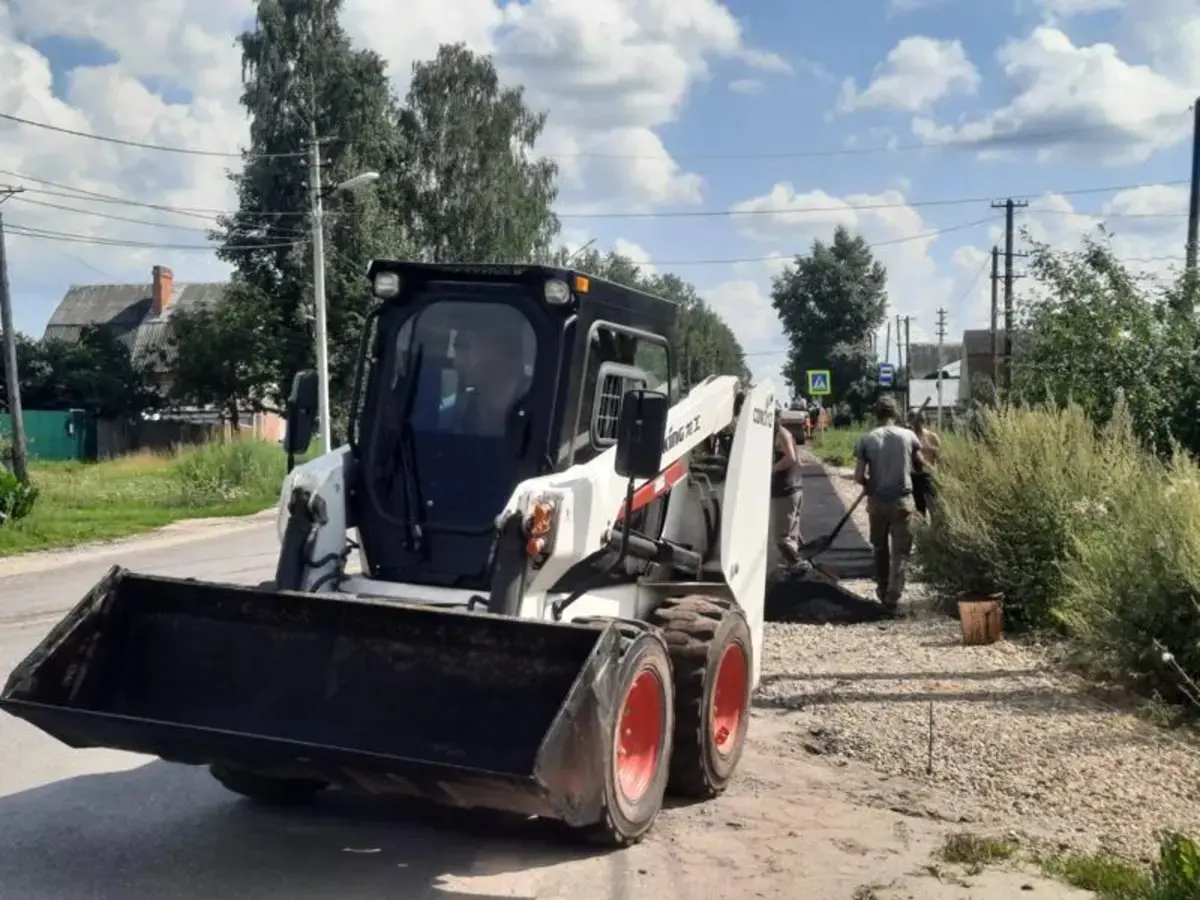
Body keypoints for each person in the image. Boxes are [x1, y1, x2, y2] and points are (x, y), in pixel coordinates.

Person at [853, 397, 926, 611]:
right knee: (901, 551)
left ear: (876, 414)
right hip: (903, 501)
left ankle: (882, 590)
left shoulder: (866, 439)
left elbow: (858, 476)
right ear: (895, 413)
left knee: (879, 548)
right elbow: (920, 466)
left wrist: (868, 484)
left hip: (877, 502)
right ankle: (894, 595)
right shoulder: (908, 436)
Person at [770, 409, 805, 569]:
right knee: (792, 536)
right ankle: (794, 569)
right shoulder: (780, 433)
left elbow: (791, 458)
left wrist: (771, 468)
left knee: (782, 538)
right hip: (792, 489)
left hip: (786, 491)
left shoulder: (781, 434)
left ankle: (798, 566)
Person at [909, 410, 941, 518]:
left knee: (933, 506)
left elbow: (939, 457)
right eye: (915, 420)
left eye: (920, 419)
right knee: (919, 508)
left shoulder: (932, 436)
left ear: (923, 420)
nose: (918, 423)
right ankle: (923, 531)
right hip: (914, 476)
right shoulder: (908, 437)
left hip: (929, 475)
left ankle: (935, 531)